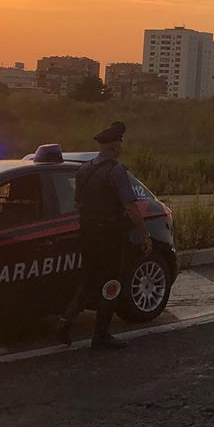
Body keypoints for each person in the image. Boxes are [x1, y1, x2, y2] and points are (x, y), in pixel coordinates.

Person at [57, 121, 153, 350]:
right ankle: (101, 334)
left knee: (89, 278)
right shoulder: (115, 170)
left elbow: (78, 203)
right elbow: (131, 206)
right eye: (120, 141)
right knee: (111, 281)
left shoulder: (84, 169)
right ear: (113, 145)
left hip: (88, 233)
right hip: (109, 235)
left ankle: (65, 321)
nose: (122, 145)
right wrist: (145, 234)